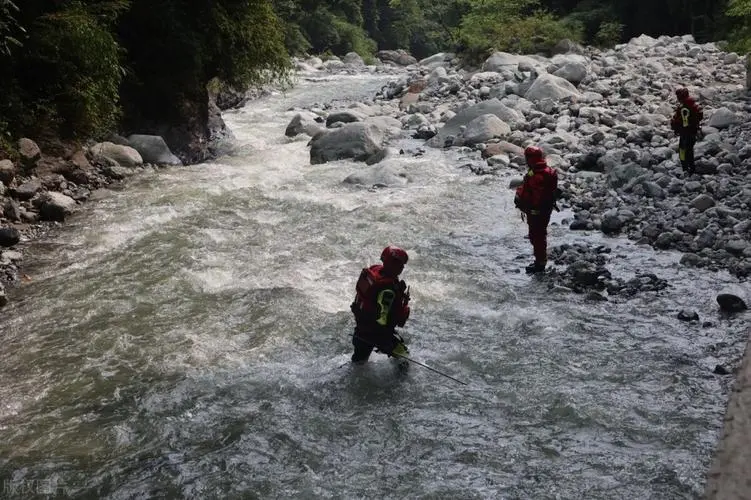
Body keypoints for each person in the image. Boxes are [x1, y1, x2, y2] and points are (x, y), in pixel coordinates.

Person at [350, 246, 411, 364]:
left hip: (361, 331)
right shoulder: (388, 290)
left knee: (357, 364)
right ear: (391, 263)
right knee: (405, 358)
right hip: (375, 334)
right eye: (399, 264)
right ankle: (398, 383)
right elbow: (382, 320)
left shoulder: (375, 270)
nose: (402, 267)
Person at [514, 146, 559, 274]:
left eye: (527, 158)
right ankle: (540, 260)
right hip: (543, 210)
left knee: (537, 236)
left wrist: (526, 205)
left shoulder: (538, 175)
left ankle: (540, 263)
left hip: (537, 211)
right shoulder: (543, 171)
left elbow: (535, 197)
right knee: (538, 235)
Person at [670, 87, 703, 175]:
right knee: (690, 150)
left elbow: (679, 121)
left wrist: (675, 127)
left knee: (682, 150)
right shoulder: (694, 105)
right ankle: (691, 167)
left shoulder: (683, 108)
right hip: (693, 131)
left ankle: (685, 167)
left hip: (685, 132)